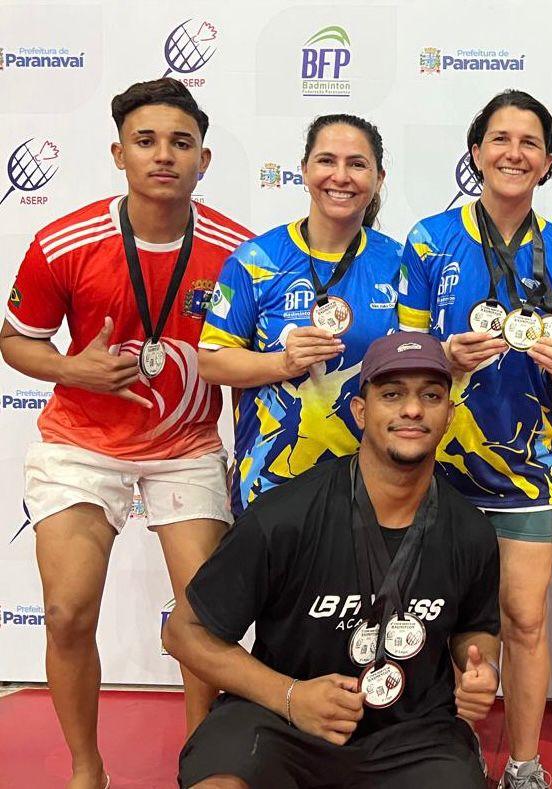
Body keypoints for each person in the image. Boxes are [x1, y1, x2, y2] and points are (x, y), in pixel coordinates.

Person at [0, 78, 252, 789]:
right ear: (119, 154)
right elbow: (15, 339)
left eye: (180, 143)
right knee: (65, 612)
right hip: (81, 442)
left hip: (186, 447)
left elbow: (247, 358)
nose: (163, 155)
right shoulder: (64, 241)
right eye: (145, 141)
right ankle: (88, 769)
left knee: (203, 621)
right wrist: (68, 368)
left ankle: (200, 763)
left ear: (203, 159)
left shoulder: (239, 251)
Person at [164, 331, 501, 788]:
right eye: (392, 394)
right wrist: (290, 696)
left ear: (449, 415)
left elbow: (476, 628)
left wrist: (482, 669)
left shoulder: (470, 531)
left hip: (414, 735)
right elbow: (183, 631)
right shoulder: (285, 516)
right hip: (282, 723)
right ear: (360, 412)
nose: (413, 409)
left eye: (431, 396)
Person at [397, 90, 552, 789]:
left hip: (527, 469)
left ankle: (525, 763)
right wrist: (443, 356)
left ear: (548, 161)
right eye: (500, 139)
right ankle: (441, 753)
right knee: (432, 620)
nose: (514, 152)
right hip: (433, 466)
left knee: (524, 620)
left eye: (529, 142)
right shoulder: (429, 238)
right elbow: (403, 354)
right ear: (476, 151)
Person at [198, 114, 403, 515]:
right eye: (327, 161)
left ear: (379, 178)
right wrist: (283, 363)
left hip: (373, 485)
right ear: (305, 170)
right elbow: (211, 362)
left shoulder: (399, 262)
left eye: (357, 164)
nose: (340, 176)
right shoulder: (256, 260)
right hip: (270, 485)